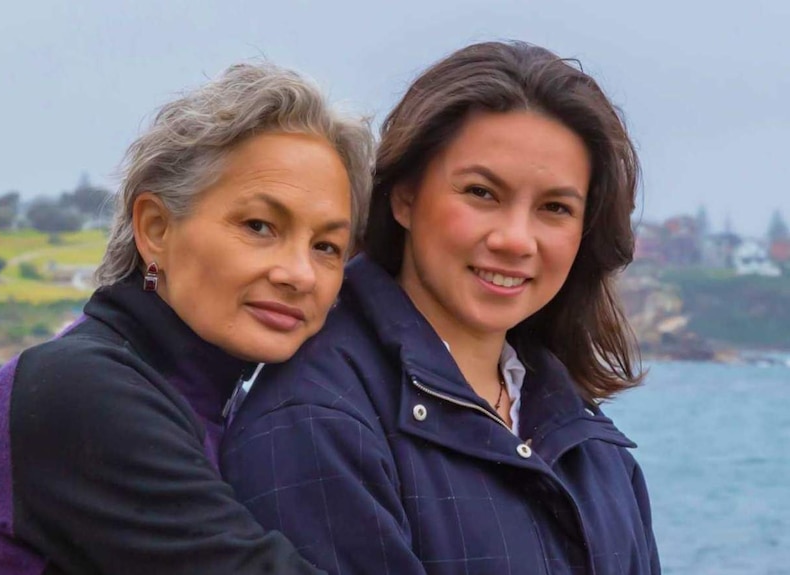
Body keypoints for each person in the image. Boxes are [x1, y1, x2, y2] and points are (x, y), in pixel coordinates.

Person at [221, 41, 660, 575]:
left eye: (555, 208)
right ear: (404, 195)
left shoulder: (593, 449)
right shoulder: (317, 421)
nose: (516, 239)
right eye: (481, 193)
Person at [0, 62, 374, 575]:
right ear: (155, 229)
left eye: (327, 246)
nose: (300, 274)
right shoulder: (79, 389)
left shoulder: (212, 395)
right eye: (259, 225)